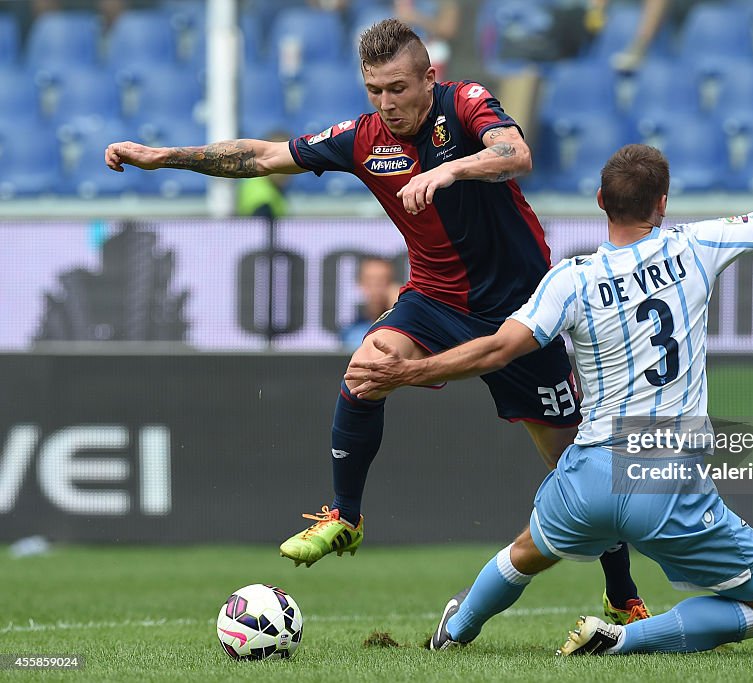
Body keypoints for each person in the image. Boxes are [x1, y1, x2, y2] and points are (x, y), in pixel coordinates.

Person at [104, 18, 646, 622]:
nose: (387, 104)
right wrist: (162, 158)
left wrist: (449, 169)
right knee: (366, 370)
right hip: (436, 299)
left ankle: (622, 595)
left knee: (575, 462)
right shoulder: (362, 139)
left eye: (398, 88)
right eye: (375, 91)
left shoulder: (464, 106)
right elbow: (261, 156)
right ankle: (346, 516)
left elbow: (514, 153)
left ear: (427, 78)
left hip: (523, 311)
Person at [345, 71, 753, 653]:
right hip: (663, 475)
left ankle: (457, 629)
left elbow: (495, 349)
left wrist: (411, 373)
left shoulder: (569, 278)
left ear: (599, 202)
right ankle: (624, 640)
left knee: (524, 554)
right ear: (662, 205)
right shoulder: (695, 246)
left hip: (590, 471)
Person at [339, 257, 402, 350]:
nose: (376, 287)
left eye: (382, 280)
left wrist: (398, 308)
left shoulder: (403, 325)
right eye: (370, 280)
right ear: (361, 283)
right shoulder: (351, 332)